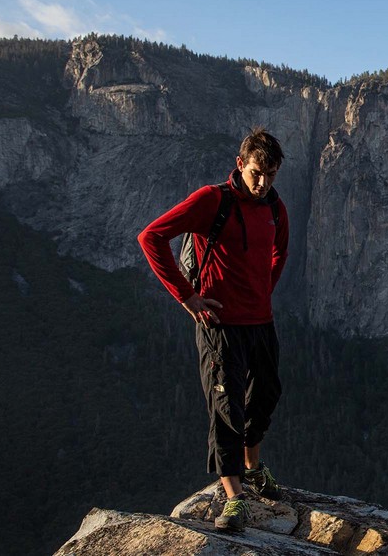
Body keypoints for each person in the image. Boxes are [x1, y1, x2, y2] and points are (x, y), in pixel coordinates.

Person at [137, 126, 289, 531]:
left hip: (261, 322)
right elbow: (151, 237)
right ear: (240, 164)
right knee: (227, 408)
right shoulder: (211, 201)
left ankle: (252, 466)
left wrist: (262, 291)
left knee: (267, 394)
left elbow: (280, 251)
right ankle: (234, 497)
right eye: (257, 173)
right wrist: (187, 297)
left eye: (271, 175)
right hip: (219, 325)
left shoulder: (275, 208)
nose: (263, 183)